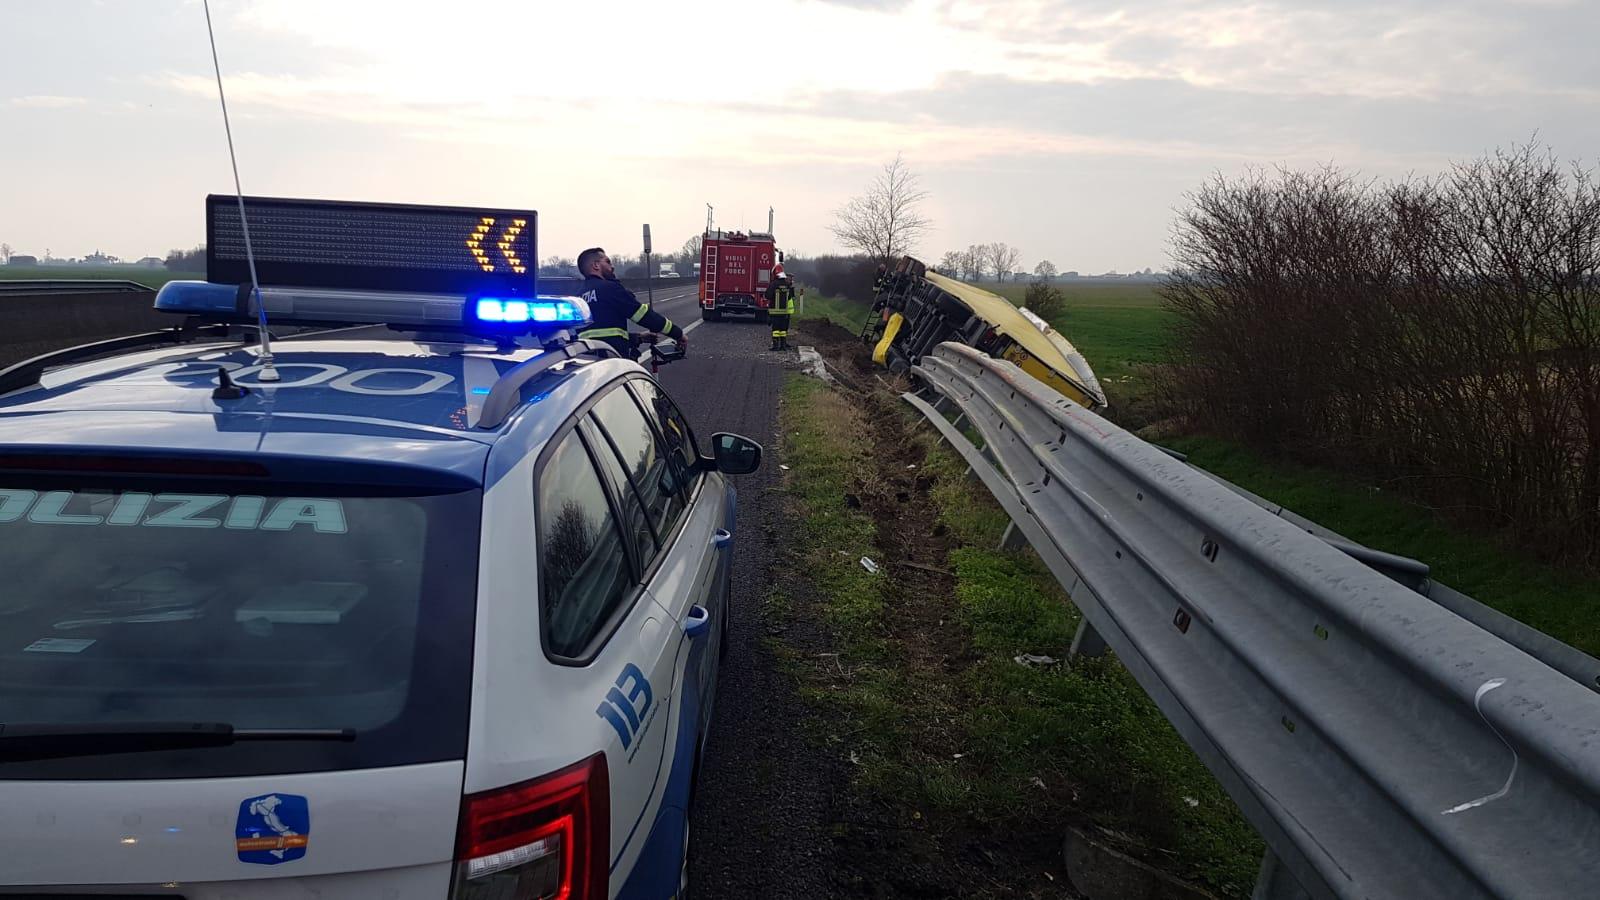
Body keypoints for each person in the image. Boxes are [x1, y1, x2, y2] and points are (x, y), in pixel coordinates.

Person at [574, 248, 686, 359]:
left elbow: (599, 333)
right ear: (596, 265)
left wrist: (638, 338)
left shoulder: (578, 297)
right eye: (607, 262)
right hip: (613, 360)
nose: (612, 267)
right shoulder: (610, 288)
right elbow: (643, 315)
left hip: (587, 362)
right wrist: (677, 334)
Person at [765, 271, 795, 351]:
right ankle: (783, 346)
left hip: (775, 311)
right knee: (783, 329)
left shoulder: (773, 284)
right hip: (784, 311)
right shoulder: (787, 285)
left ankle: (775, 346)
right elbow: (789, 297)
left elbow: (767, 296)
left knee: (775, 329)